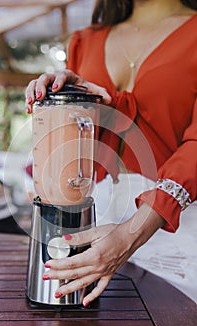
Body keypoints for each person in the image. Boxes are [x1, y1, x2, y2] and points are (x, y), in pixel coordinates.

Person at [25, 0, 197, 306]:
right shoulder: (85, 40)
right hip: (94, 229)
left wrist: (131, 235)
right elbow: (80, 143)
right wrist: (63, 102)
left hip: (175, 230)